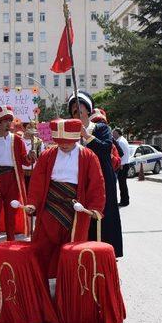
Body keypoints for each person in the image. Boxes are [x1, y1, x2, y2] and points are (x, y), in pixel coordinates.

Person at [25, 119, 105, 278]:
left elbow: (97, 183)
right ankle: (44, 289)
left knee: (71, 252)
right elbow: (37, 182)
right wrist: (33, 203)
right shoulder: (47, 154)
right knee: (43, 249)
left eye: (67, 142)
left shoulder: (88, 156)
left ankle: (67, 290)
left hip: (76, 210)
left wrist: (96, 207)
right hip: (50, 207)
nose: (64, 145)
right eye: (60, 142)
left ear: (75, 138)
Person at [68, 92, 123, 258]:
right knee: (83, 214)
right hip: (80, 178)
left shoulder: (101, 128)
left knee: (104, 215)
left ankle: (106, 253)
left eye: (81, 109)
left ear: (88, 110)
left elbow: (106, 149)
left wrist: (86, 136)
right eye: (74, 111)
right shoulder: (70, 132)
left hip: (103, 177)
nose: (78, 113)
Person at [0, 106, 36, 241]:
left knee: (12, 209)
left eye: (9, 120)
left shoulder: (17, 140)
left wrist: (31, 156)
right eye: (4, 120)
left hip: (13, 178)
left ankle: (10, 239)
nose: (7, 123)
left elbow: (26, 161)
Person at [22, 122, 45, 189]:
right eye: (29, 128)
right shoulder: (18, 140)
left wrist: (36, 156)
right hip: (21, 174)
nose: (31, 130)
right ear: (23, 128)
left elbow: (41, 159)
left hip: (34, 173)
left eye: (33, 128)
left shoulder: (39, 142)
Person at [112, 128, 131, 207]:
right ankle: (125, 200)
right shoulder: (123, 140)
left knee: (122, 184)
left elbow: (122, 155)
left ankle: (124, 201)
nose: (113, 135)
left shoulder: (120, 141)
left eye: (114, 133)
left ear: (118, 133)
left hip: (123, 165)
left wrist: (121, 165)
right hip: (125, 164)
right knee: (123, 184)